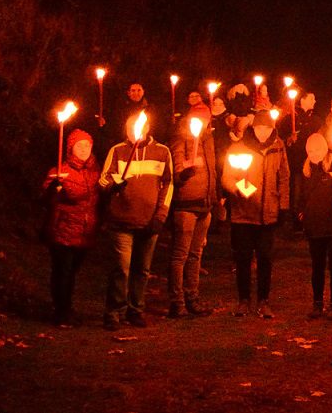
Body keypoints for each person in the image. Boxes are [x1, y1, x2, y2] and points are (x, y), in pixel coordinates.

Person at [96, 111, 173, 330]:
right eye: (129, 128)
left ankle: (135, 309)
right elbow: (103, 181)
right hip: (121, 221)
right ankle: (114, 312)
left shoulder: (162, 151)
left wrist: (161, 215)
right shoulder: (118, 151)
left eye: (137, 128)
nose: (133, 132)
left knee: (142, 269)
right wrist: (114, 185)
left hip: (149, 222)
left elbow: (168, 184)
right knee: (121, 268)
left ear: (146, 128)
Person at [220, 107, 290, 318]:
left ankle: (263, 301)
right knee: (243, 258)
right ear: (253, 128)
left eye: (267, 129)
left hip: (268, 214)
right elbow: (227, 177)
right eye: (260, 128)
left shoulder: (278, 147)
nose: (263, 133)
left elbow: (284, 177)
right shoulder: (239, 147)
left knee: (265, 259)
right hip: (244, 214)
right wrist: (239, 188)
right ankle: (243, 300)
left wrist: (284, 207)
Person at [42, 128, 100, 326]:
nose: (84, 149)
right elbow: (45, 198)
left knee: (72, 272)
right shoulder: (60, 170)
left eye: (87, 145)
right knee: (63, 272)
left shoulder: (95, 172)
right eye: (79, 145)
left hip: (85, 232)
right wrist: (53, 189)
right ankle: (61, 312)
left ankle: (66, 308)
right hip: (63, 230)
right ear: (70, 148)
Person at [167, 100, 218, 318]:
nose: (203, 122)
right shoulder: (180, 138)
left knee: (196, 255)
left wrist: (215, 198)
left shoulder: (208, 139)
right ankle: (177, 302)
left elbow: (212, 170)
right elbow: (176, 174)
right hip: (186, 205)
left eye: (206, 118)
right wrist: (186, 172)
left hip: (205, 205)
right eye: (199, 118)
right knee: (180, 255)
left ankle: (192, 297)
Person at [300, 134, 332, 319]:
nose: (314, 154)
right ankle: (317, 304)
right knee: (317, 266)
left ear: (325, 149)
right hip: (315, 227)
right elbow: (303, 196)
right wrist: (302, 213)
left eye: (317, 150)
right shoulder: (306, 171)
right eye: (310, 151)